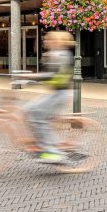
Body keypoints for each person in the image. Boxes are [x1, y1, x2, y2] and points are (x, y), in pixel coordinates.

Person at [24, 31, 75, 164]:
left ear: (56, 41)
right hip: (55, 92)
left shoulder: (61, 55)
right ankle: (41, 143)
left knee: (38, 117)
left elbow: (52, 75)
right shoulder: (56, 53)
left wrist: (32, 77)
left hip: (59, 94)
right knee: (29, 109)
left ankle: (51, 152)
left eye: (47, 40)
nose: (45, 42)